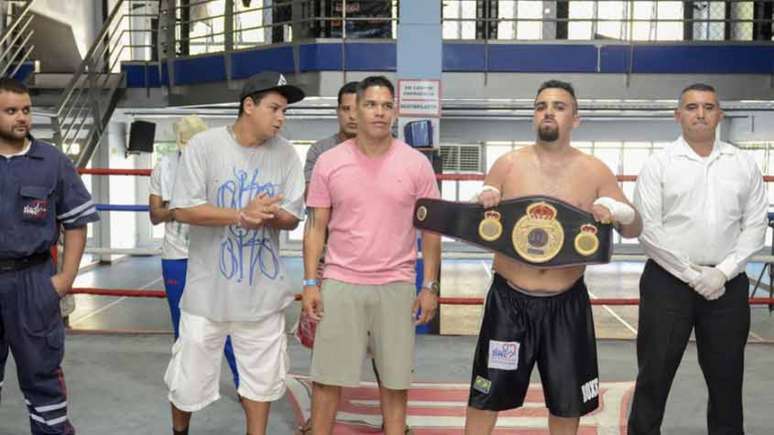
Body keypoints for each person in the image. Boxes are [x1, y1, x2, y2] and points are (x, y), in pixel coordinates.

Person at [464, 80, 643, 435]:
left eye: (559, 106)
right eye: (541, 105)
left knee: (567, 400)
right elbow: (481, 226)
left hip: (567, 304)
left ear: (575, 119)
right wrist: (479, 205)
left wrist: (616, 212)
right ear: (534, 116)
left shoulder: (594, 170)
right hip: (509, 301)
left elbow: (634, 227)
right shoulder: (508, 165)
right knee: (486, 395)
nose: (548, 111)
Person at [163, 71, 306, 435]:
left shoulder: (287, 154)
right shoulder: (205, 147)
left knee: (262, 378)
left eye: (284, 111)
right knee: (187, 379)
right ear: (248, 105)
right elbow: (182, 209)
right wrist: (240, 215)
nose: (281, 118)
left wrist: (270, 215)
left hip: (262, 293)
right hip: (206, 293)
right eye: (274, 108)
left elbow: (292, 217)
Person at [303, 76, 441, 435]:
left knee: (395, 381)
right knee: (327, 379)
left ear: (394, 111)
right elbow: (316, 226)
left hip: (396, 286)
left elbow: (432, 231)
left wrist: (429, 286)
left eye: (386, 105)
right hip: (340, 283)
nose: (379, 112)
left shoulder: (417, 165)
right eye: (370, 105)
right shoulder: (329, 162)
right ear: (356, 110)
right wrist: (310, 282)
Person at [628, 83, 767, 435]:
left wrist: (722, 272)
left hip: (727, 286)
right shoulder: (658, 165)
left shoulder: (743, 163)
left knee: (727, 382)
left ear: (720, 114)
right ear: (678, 115)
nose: (701, 114)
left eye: (708, 107)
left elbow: (754, 225)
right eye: (691, 107)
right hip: (667, 284)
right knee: (653, 378)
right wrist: (691, 274)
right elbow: (648, 229)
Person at [0, 77, 99, 434]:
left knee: (42, 377)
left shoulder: (52, 162)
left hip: (34, 283)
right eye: (11, 111)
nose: (21, 118)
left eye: (25, 110)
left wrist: (65, 279)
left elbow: (76, 223)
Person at [149, 115, 240, 388]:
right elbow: (155, 215)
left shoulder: (220, 167)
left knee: (223, 322)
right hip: (176, 255)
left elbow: (227, 212)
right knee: (182, 327)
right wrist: (180, 212)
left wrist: (187, 212)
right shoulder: (164, 168)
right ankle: (187, 384)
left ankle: (242, 382)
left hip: (211, 253)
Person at [303, 81, 358, 190]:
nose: (352, 116)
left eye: (358, 110)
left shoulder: (376, 151)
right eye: (346, 109)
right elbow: (310, 195)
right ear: (338, 111)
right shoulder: (319, 150)